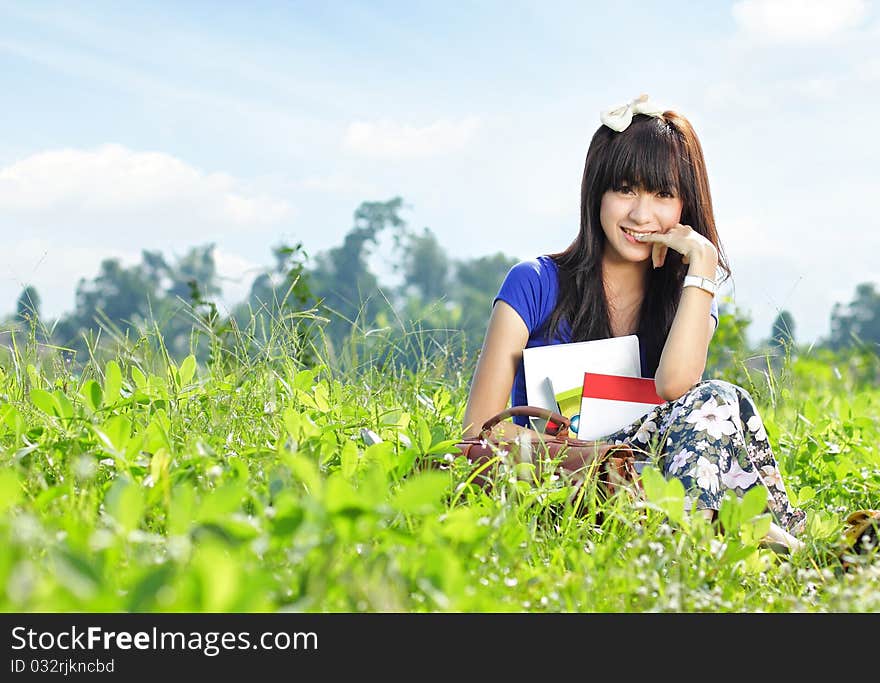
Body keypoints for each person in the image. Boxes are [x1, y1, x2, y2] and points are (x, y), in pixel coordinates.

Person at [462, 94, 806, 552]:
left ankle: (728, 533)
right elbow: (479, 429)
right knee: (718, 403)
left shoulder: (690, 295)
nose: (642, 215)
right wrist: (595, 457)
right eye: (625, 189)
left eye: (663, 194)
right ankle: (747, 535)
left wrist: (702, 261)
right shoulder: (535, 283)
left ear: (686, 204)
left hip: (658, 487)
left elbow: (675, 386)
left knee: (725, 399)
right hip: (566, 481)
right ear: (597, 193)